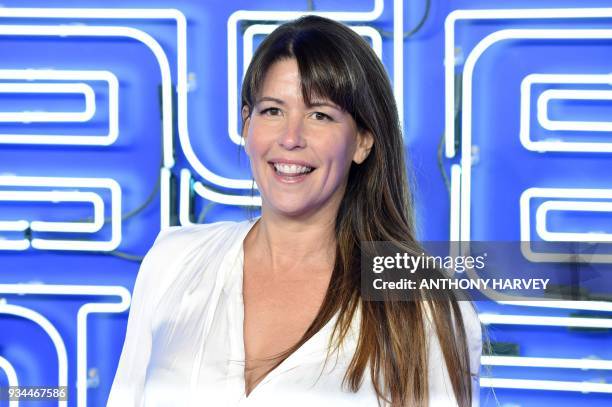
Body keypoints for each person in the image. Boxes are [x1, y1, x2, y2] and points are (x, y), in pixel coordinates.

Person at [107, 15, 482, 407]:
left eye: (320, 115)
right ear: (246, 122)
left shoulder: (420, 304)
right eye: (273, 111)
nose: (290, 138)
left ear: (363, 142)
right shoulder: (172, 261)